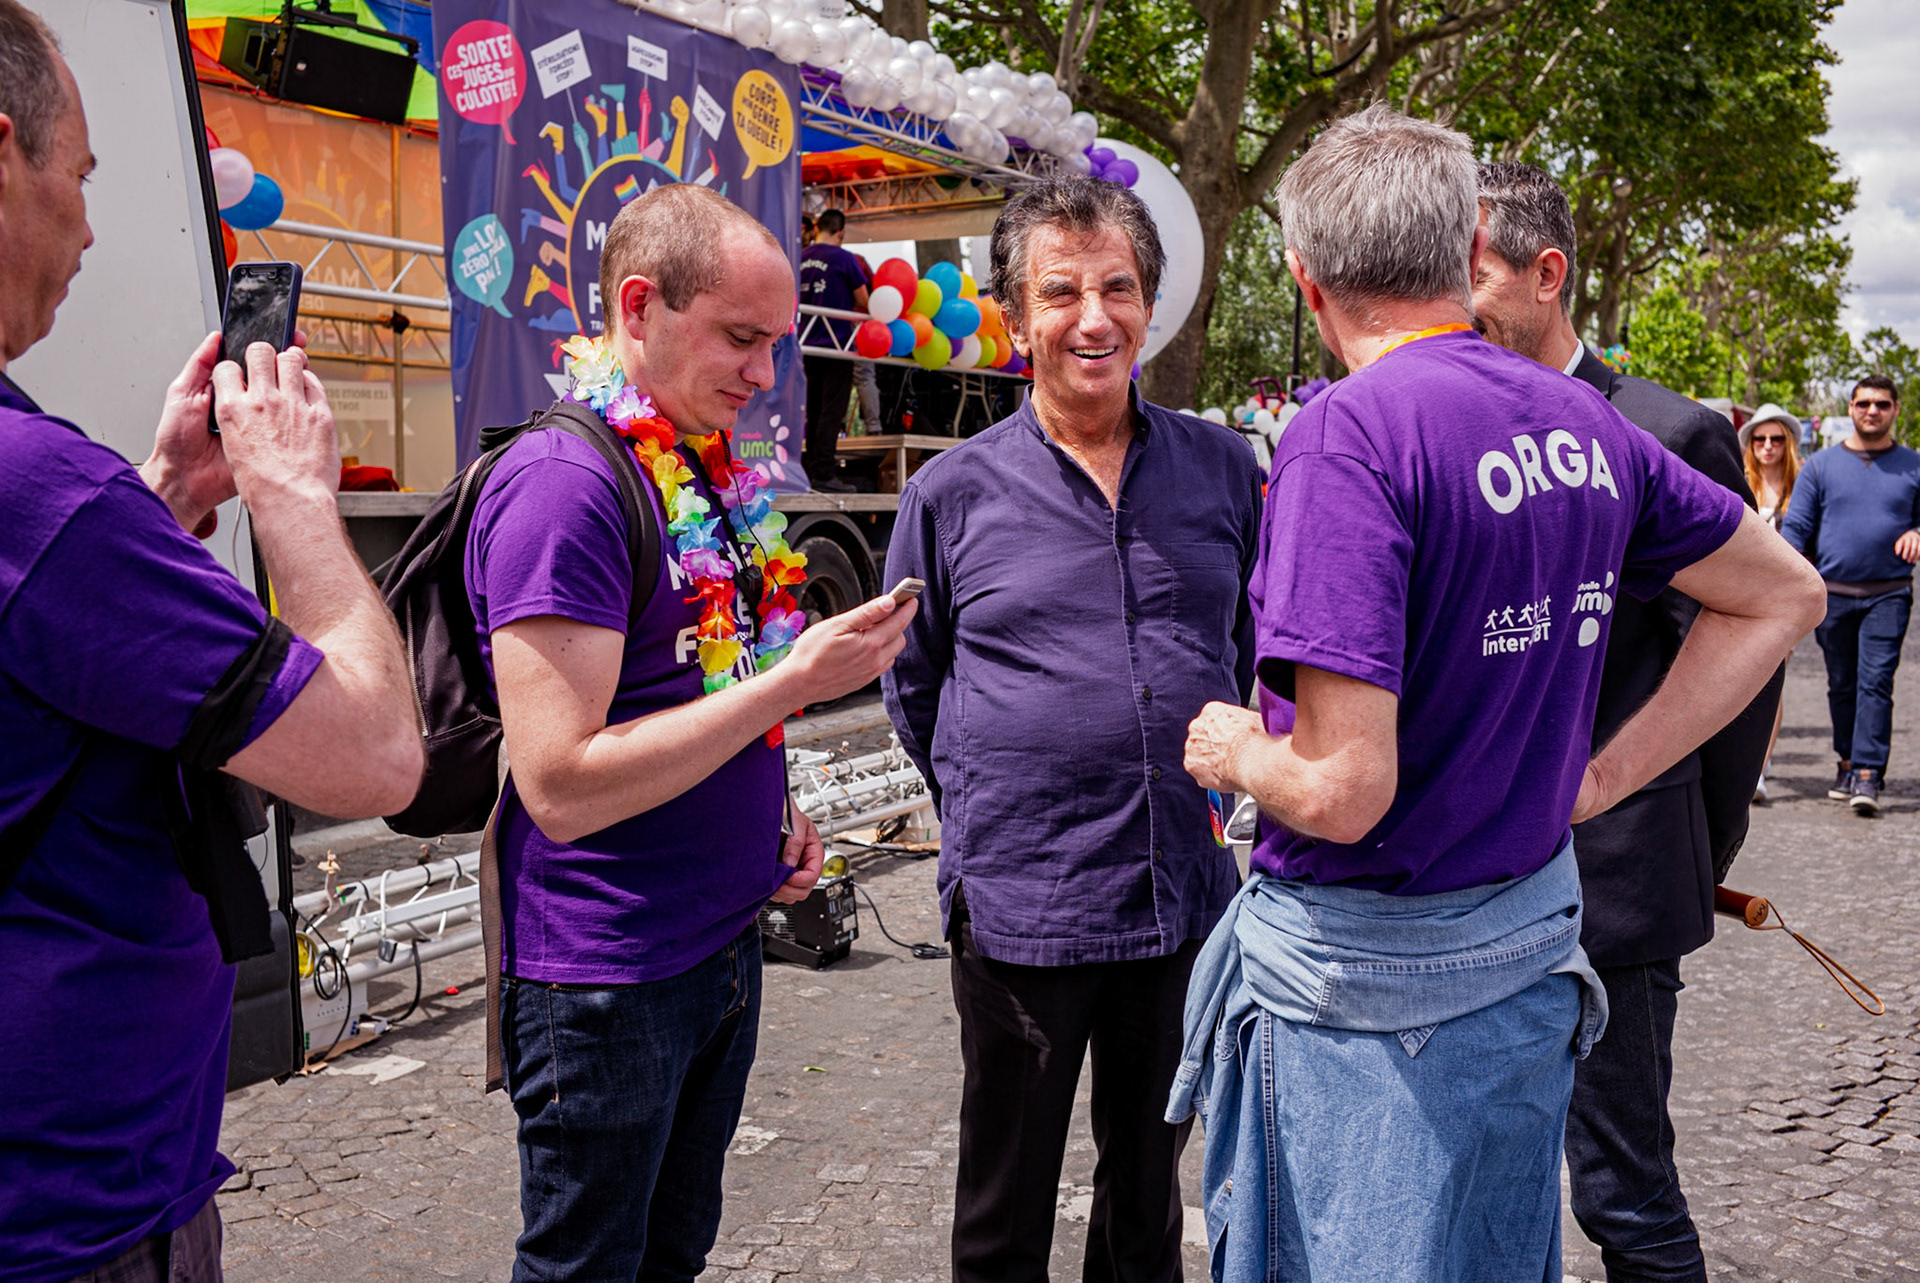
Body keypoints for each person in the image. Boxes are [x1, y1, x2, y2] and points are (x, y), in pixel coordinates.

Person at [1172, 105, 1824, 1283]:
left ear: (1304, 277)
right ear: (1465, 239)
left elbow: (1346, 787)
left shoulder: (1345, 436)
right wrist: (1608, 774)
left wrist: (1234, 752)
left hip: (1369, 1001)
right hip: (1526, 956)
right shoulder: (1585, 419)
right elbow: (1784, 594)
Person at [0, 5, 424, 1279]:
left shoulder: (60, 510)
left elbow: (47, 659)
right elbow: (377, 757)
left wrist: (167, 500)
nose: (87, 229)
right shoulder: (40, 492)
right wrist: (292, 495)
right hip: (73, 1213)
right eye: (77, 179)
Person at [467, 182, 916, 1282]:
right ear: (638, 306)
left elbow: (690, 688)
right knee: (589, 1266)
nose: (767, 374)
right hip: (608, 978)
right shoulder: (566, 485)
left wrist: (777, 808)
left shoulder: (697, 460)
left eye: (775, 345)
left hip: (714, 944)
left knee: (670, 1254)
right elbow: (560, 782)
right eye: (742, 338)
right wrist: (794, 686)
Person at [883, 176, 1262, 1283]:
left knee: (1147, 1201)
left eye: (1119, 288)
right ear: (1014, 316)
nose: (1093, 317)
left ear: (1151, 307)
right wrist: (1005, 793)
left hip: (1179, 896)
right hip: (1023, 906)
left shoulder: (1224, 469)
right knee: (1004, 1208)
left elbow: (1247, 641)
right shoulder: (950, 494)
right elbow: (913, 683)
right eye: (1062, 292)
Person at [1474, 158, 1782, 1283]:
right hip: (1468, 887)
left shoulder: (1671, 431)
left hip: (1617, 883)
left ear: (1547, 274)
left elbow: (1746, 664)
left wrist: (1693, 844)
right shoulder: (1446, 429)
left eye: (1470, 274)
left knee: (1623, 1188)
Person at [1780, 375, 1920, 817]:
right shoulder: (1820, 467)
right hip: (1832, 596)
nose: (1872, 411)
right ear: (1852, 408)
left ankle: (1867, 773)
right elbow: (1794, 534)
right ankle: (1845, 761)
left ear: (1896, 409)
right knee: (1842, 683)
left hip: (1888, 593)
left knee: (1875, 681)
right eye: (1864, 404)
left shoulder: (1914, 466)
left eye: (1881, 404)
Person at [1743, 402, 1803, 800]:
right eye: (1760, 439)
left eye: (1776, 439)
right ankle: (1745, 761)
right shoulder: (1738, 480)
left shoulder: (1802, 488)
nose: (1767, 446)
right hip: (1741, 596)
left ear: (1789, 443)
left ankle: (1760, 767)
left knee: (1772, 682)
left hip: (1785, 598)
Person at [798, 207, 868, 491]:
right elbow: (863, 299)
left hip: (805, 344)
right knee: (831, 411)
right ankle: (825, 474)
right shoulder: (844, 258)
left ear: (816, 229)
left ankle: (810, 470)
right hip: (837, 346)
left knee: (813, 410)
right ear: (841, 233)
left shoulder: (800, 258)